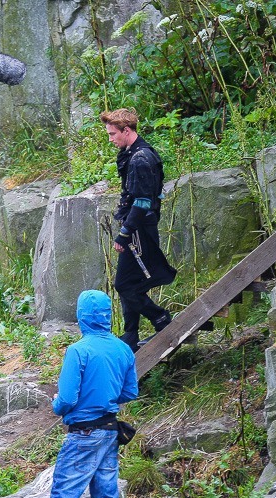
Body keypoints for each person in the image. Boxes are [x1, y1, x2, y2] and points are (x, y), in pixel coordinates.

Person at [24, 290, 138, 498]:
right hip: (110, 432)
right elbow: (130, 392)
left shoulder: (78, 350)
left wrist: (56, 402)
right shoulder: (123, 349)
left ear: (81, 315)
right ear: (107, 315)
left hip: (83, 434)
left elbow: (66, 400)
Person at [102, 108, 177, 351]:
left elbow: (144, 201)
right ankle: (131, 335)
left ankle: (160, 318)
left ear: (127, 130)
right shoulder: (132, 154)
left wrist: (124, 233)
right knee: (130, 282)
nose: (111, 139)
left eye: (113, 134)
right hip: (136, 226)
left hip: (139, 230)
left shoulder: (141, 158)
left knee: (124, 284)